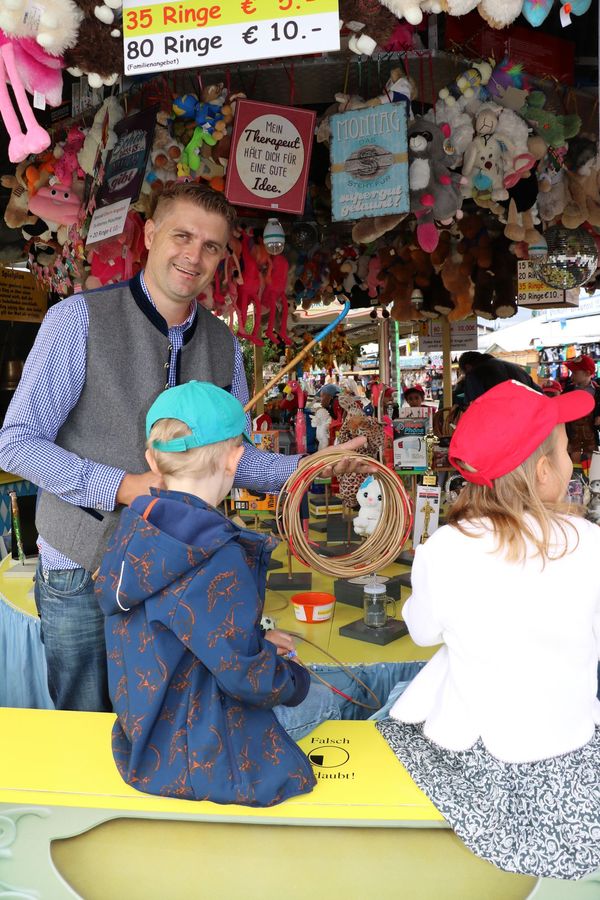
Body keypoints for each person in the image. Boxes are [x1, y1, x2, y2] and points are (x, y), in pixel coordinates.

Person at [0, 183, 368, 712]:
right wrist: (124, 487)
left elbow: (234, 458)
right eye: (182, 236)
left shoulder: (224, 345)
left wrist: (310, 467)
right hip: (82, 567)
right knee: (85, 728)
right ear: (150, 235)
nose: (194, 256)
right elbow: (16, 445)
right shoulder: (77, 320)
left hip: (178, 574)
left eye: (212, 246)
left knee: (165, 727)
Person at [96, 380, 418, 807]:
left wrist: (257, 642)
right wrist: (295, 679)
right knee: (350, 696)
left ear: (151, 459)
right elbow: (248, 678)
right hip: (204, 752)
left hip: (147, 729)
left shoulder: (134, 532)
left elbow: (180, 629)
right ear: (236, 458)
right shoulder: (217, 554)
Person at [377, 380, 600, 880]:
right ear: (544, 473)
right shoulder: (591, 543)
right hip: (568, 750)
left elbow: (423, 632)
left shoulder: (446, 547)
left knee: (397, 698)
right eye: (567, 452)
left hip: (480, 759)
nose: (574, 462)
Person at [457, 350, 541, 407]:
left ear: (467, 367)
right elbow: (539, 393)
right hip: (527, 421)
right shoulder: (517, 368)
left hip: (499, 424)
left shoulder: (475, 373)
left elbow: (475, 405)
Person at [563, 354, 600, 462]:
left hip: (591, 434)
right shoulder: (568, 391)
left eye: (574, 373)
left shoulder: (597, 391)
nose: (571, 376)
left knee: (591, 458)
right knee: (573, 457)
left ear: (587, 373)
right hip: (572, 435)